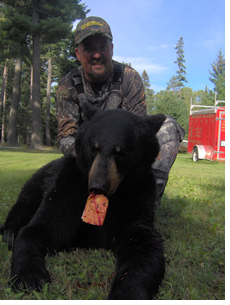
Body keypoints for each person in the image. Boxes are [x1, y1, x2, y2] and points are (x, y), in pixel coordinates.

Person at [56, 16, 185, 205]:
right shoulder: (68, 84)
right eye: (89, 49)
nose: (97, 54)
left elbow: (140, 136)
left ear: (111, 49)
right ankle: (88, 197)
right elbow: (66, 137)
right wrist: (92, 158)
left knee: (168, 127)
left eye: (102, 46)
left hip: (123, 161)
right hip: (87, 161)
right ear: (78, 53)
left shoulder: (129, 78)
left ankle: (146, 203)